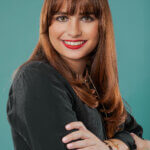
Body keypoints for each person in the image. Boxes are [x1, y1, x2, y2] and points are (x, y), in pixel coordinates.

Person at [6, 0, 150, 150]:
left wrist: (111, 147)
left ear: (102, 25)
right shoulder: (37, 78)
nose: (74, 31)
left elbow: (135, 135)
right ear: (47, 24)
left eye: (86, 18)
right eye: (62, 18)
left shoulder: (92, 82)